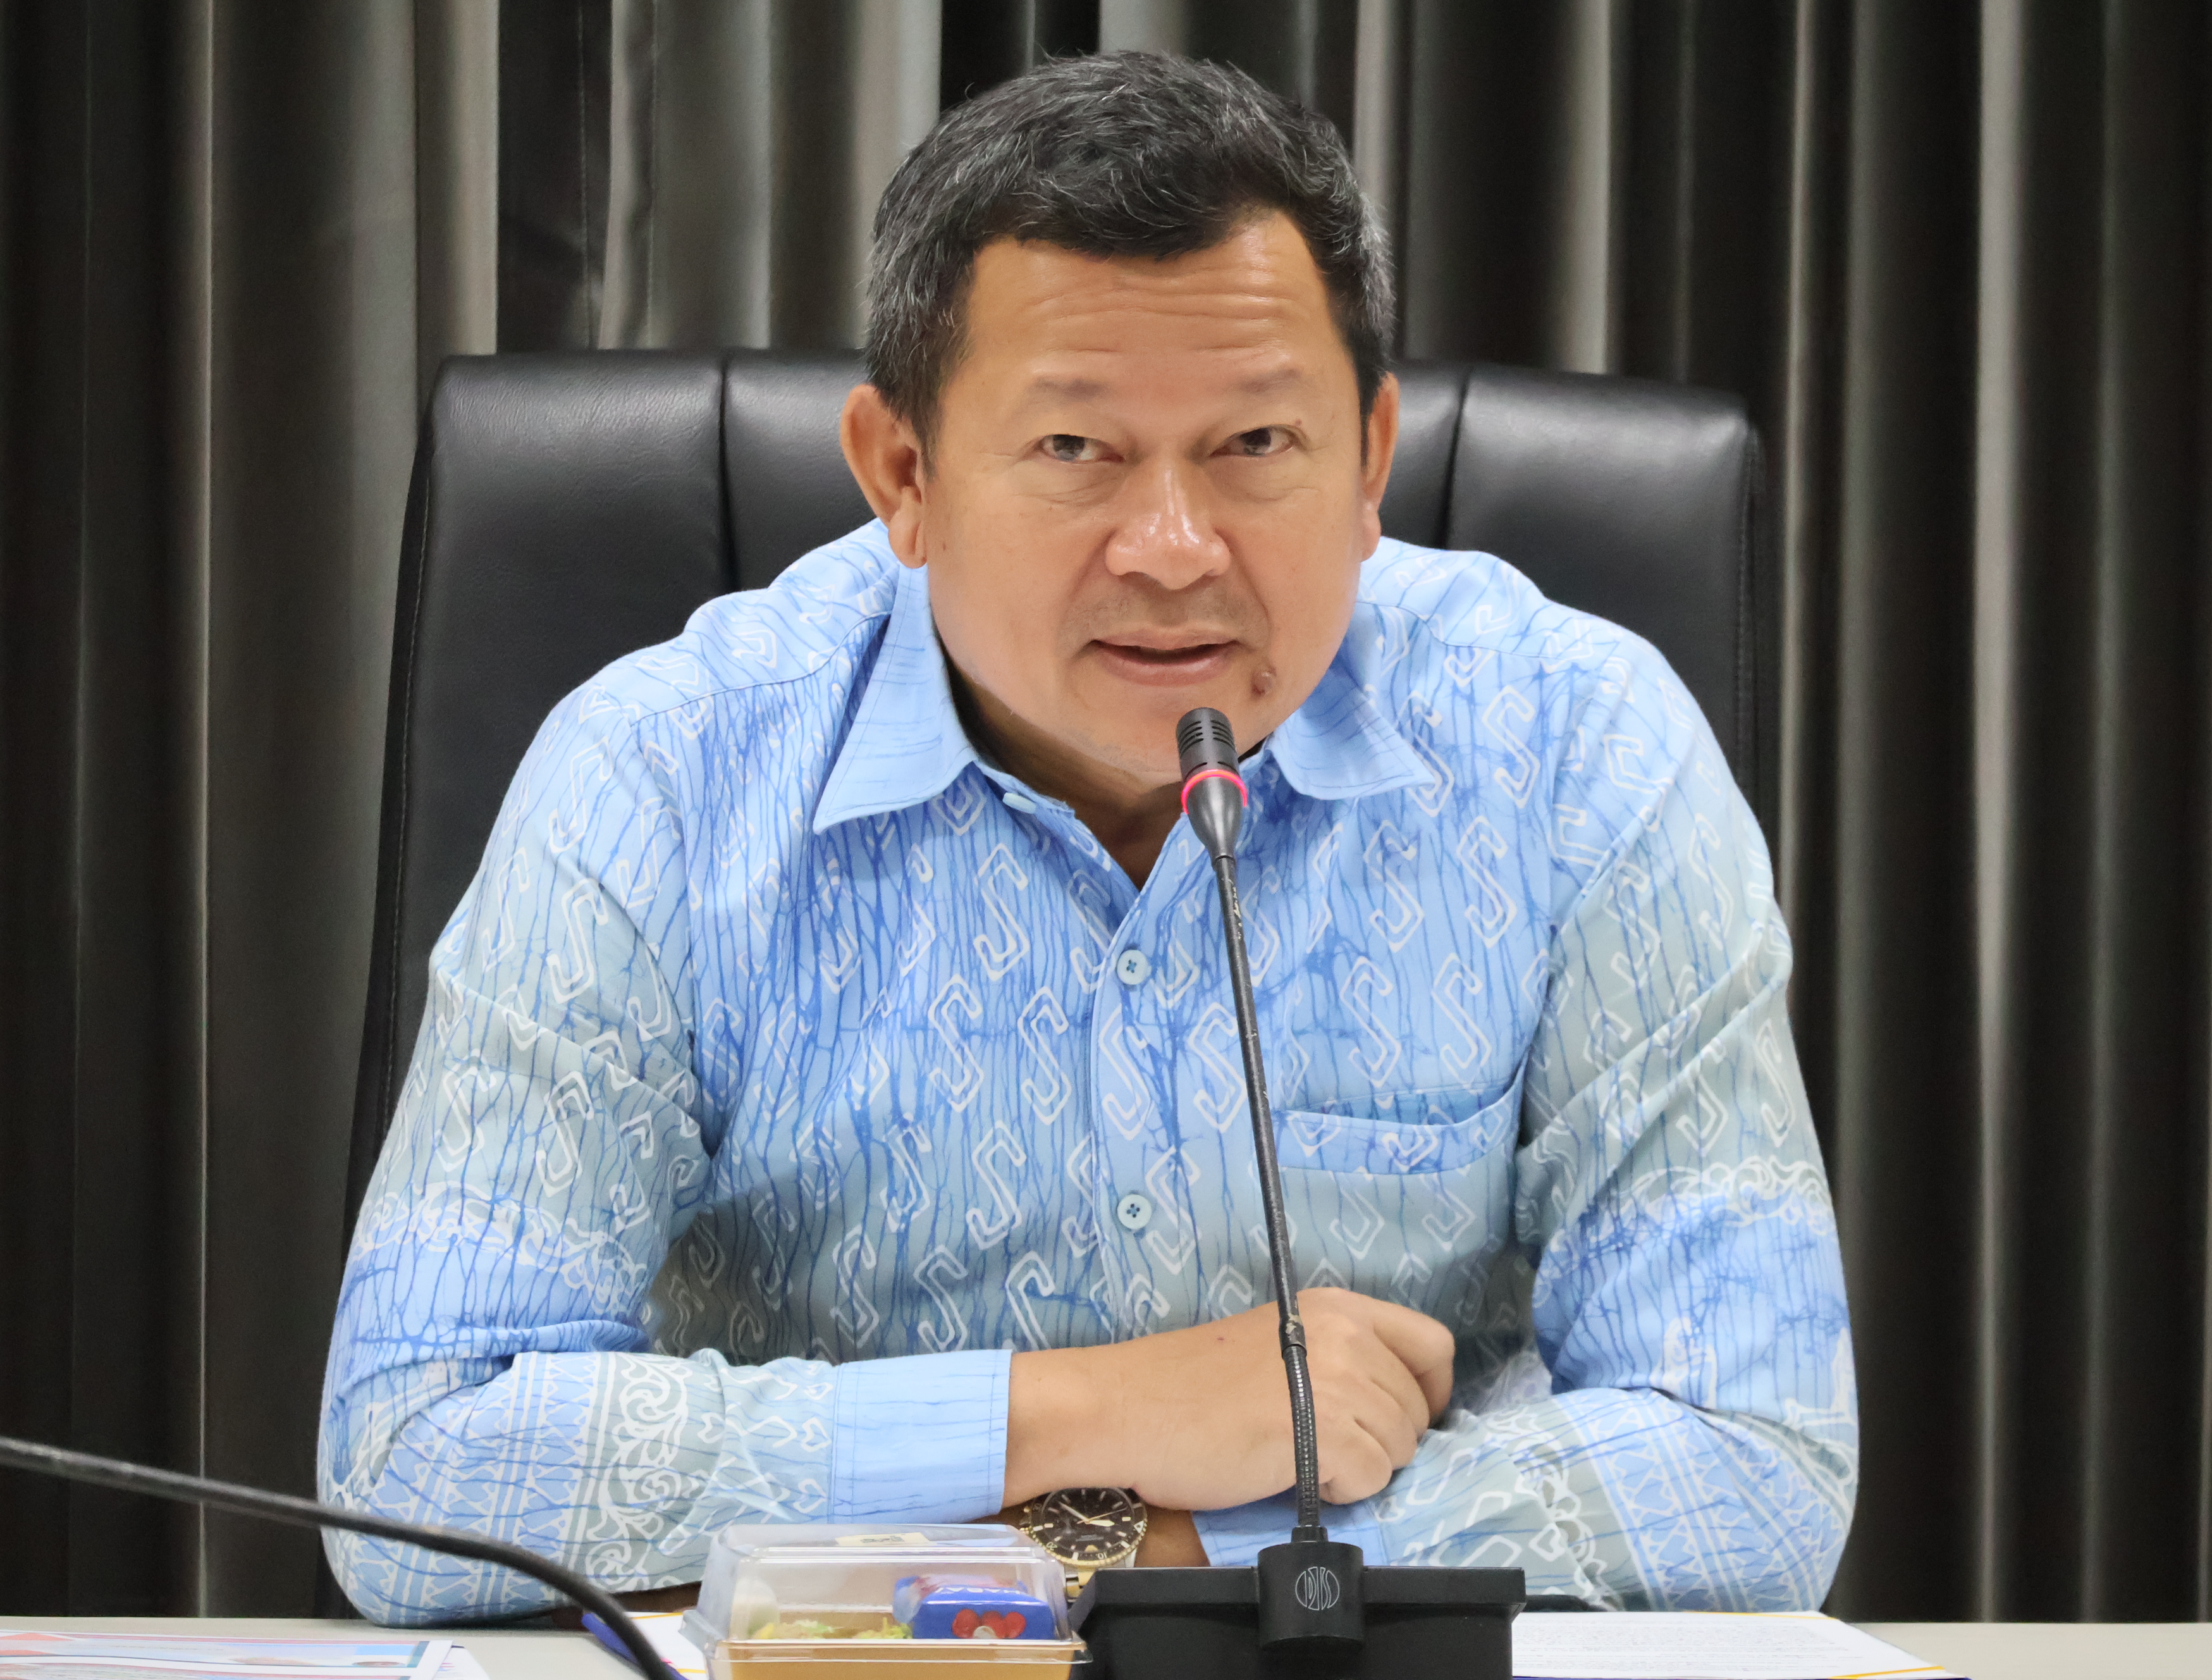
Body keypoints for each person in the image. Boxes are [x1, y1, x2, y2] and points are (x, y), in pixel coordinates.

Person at [319, 51, 1855, 1624]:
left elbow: (1754, 1454)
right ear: (902, 474)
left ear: (1372, 459)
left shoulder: (1576, 751)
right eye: (1076, 451)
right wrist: (1079, 1414)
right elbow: (409, 1458)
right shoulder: (662, 778)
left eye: (1257, 445)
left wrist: (1149, 1554)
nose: (1175, 550)